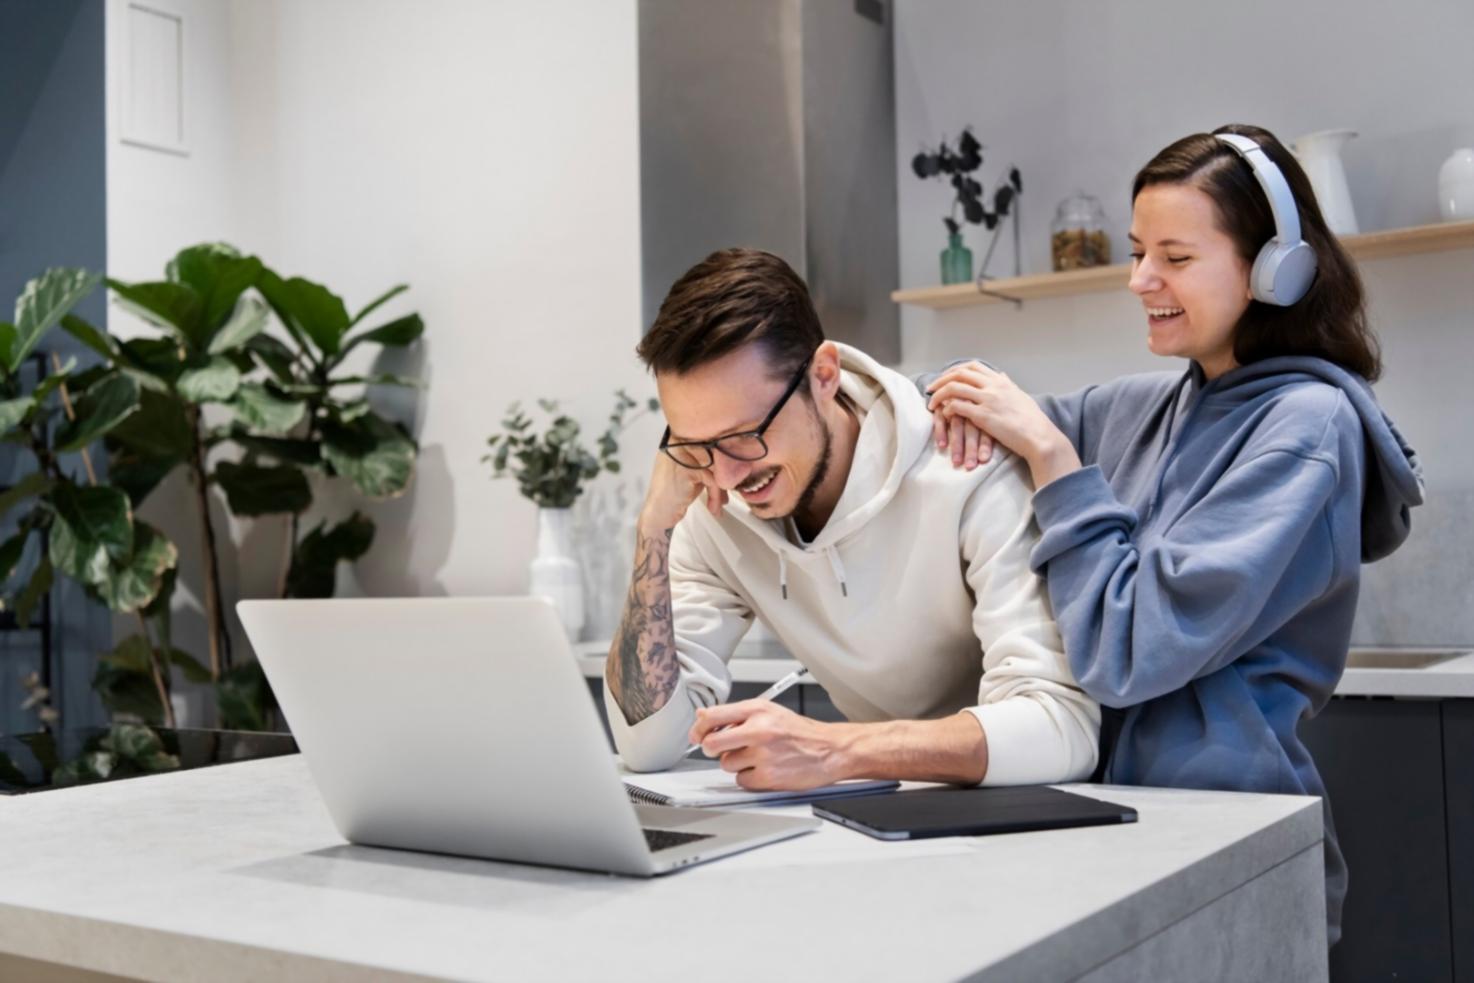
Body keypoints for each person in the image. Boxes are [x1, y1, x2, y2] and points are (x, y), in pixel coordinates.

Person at [921, 123, 1424, 946]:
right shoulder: (1149, 404)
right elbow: (955, 432)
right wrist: (863, 398)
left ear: (1275, 268)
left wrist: (1050, 457)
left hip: (1229, 839)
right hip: (1111, 825)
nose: (1139, 279)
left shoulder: (1306, 427)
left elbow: (1129, 653)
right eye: (1136, 251)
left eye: (1176, 257)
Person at [605, 247, 1098, 791]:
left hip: (1021, 815)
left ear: (823, 374)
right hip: (875, 809)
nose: (724, 475)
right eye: (695, 444)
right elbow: (645, 746)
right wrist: (652, 530)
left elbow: (1061, 729)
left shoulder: (964, 464)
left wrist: (832, 748)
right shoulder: (713, 508)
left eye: (745, 435)